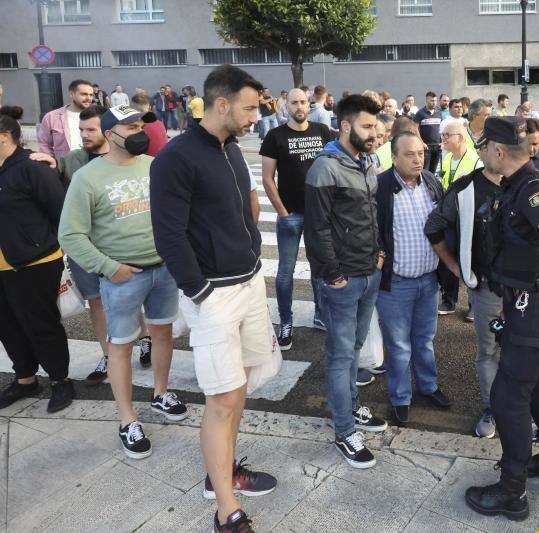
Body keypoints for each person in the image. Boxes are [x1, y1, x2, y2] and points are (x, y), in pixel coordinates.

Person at [150, 65, 277, 533]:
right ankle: (227, 511)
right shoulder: (176, 157)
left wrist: (253, 258)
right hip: (215, 295)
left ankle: (222, 474)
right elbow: (168, 234)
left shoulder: (230, 148)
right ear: (221, 104)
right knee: (222, 399)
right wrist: (199, 291)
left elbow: (242, 206)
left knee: (238, 390)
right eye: (248, 108)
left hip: (248, 283)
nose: (255, 116)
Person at [59, 105, 188, 460]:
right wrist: (107, 267)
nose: (139, 132)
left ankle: (161, 393)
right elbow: (70, 233)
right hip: (122, 276)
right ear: (110, 133)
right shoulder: (88, 177)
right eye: (130, 127)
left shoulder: (154, 165)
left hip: (164, 269)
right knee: (121, 346)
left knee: (162, 332)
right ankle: (127, 419)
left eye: (140, 125)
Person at [464, 116, 539, 520]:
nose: (480, 152)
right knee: (533, 382)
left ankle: (512, 494)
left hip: (536, 304)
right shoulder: (514, 185)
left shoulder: (532, 186)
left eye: (483, 146)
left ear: (499, 151)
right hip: (526, 300)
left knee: (508, 398)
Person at [30, 105, 153, 386]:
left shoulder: (135, 158)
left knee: (135, 299)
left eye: (91, 130)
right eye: (81, 129)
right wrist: (41, 161)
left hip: (122, 247)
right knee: (96, 302)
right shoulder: (72, 161)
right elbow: (50, 176)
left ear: (108, 132)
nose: (84, 135)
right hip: (86, 251)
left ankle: (144, 338)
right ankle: (108, 355)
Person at [305, 94, 388, 469]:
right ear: (345, 126)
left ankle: (352, 408)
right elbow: (317, 228)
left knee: (354, 348)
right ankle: (343, 431)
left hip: (369, 272)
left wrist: (380, 253)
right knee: (340, 356)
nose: (375, 133)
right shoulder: (325, 167)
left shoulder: (367, 161)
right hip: (342, 280)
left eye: (376, 126)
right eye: (367, 126)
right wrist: (333, 274)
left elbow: (372, 214)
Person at [425, 134, 504, 438]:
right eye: (492, 147)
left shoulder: (529, 184)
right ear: (482, 150)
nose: (499, 153)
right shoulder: (465, 187)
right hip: (485, 287)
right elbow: (433, 226)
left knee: (521, 352)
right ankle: (493, 409)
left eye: (505, 148)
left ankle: (521, 410)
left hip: (524, 288)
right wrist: (455, 265)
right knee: (489, 351)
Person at [0, 106, 74, 413]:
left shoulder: (31, 167)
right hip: (3, 264)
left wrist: (56, 246)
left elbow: (60, 212)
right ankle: (26, 378)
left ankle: (60, 380)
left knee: (40, 324)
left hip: (34, 261)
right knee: (7, 325)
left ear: (5, 136)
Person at [375, 131, 449, 425]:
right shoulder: (380, 188)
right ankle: (401, 397)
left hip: (428, 280)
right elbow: (371, 229)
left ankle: (428, 386)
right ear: (393, 158)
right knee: (398, 345)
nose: (418, 159)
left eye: (420, 153)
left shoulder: (431, 182)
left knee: (424, 340)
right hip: (395, 284)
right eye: (410, 154)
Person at [261, 87, 334, 348]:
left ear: (309, 104)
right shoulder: (275, 136)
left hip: (318, 214)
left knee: (319, 268)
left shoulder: (322, 132)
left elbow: (332, 167)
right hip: (290, 214)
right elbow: (267, 179)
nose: (300, 106)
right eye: (294, 103)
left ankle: (320, 315)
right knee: (285, 272)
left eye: (303, 102)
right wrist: (281, 211)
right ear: (286, 107)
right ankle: (286, 321)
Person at [437, 120, 482, 317]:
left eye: (448, 135)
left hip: (468, 219)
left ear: (461, 138)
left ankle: (474, 305)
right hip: (449, 217)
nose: (443, 139)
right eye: (443, 135)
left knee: (472, 260)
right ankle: (449, 300)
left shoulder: (475, 161)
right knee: (447, 258)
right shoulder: (445, 159)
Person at [37, 79, 94, 158]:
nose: (89, 98)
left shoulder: (97, 116)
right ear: (71, 94)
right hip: (63, 167)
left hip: (91, 164)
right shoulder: (51, 117)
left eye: (91, 95)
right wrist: (53, 163)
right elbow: (44, 144)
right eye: (84, 94)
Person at [413, 91, 443, 173]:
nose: (434, 103)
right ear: (426, 100)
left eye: (435, 101)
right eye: (432, 101)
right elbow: (414, 129)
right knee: (425, 171)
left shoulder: (439, 112)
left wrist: (442, 142)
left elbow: (442, 128)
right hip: (426, 147)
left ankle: (431, 186)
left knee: (433, 171)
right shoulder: (420, 113)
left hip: (438, 147)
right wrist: (421, 143)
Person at [131, 93, 168, 157]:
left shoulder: (137, 126)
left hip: (150, 162)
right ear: (150, 108)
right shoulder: (159, 123)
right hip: (164, 158)